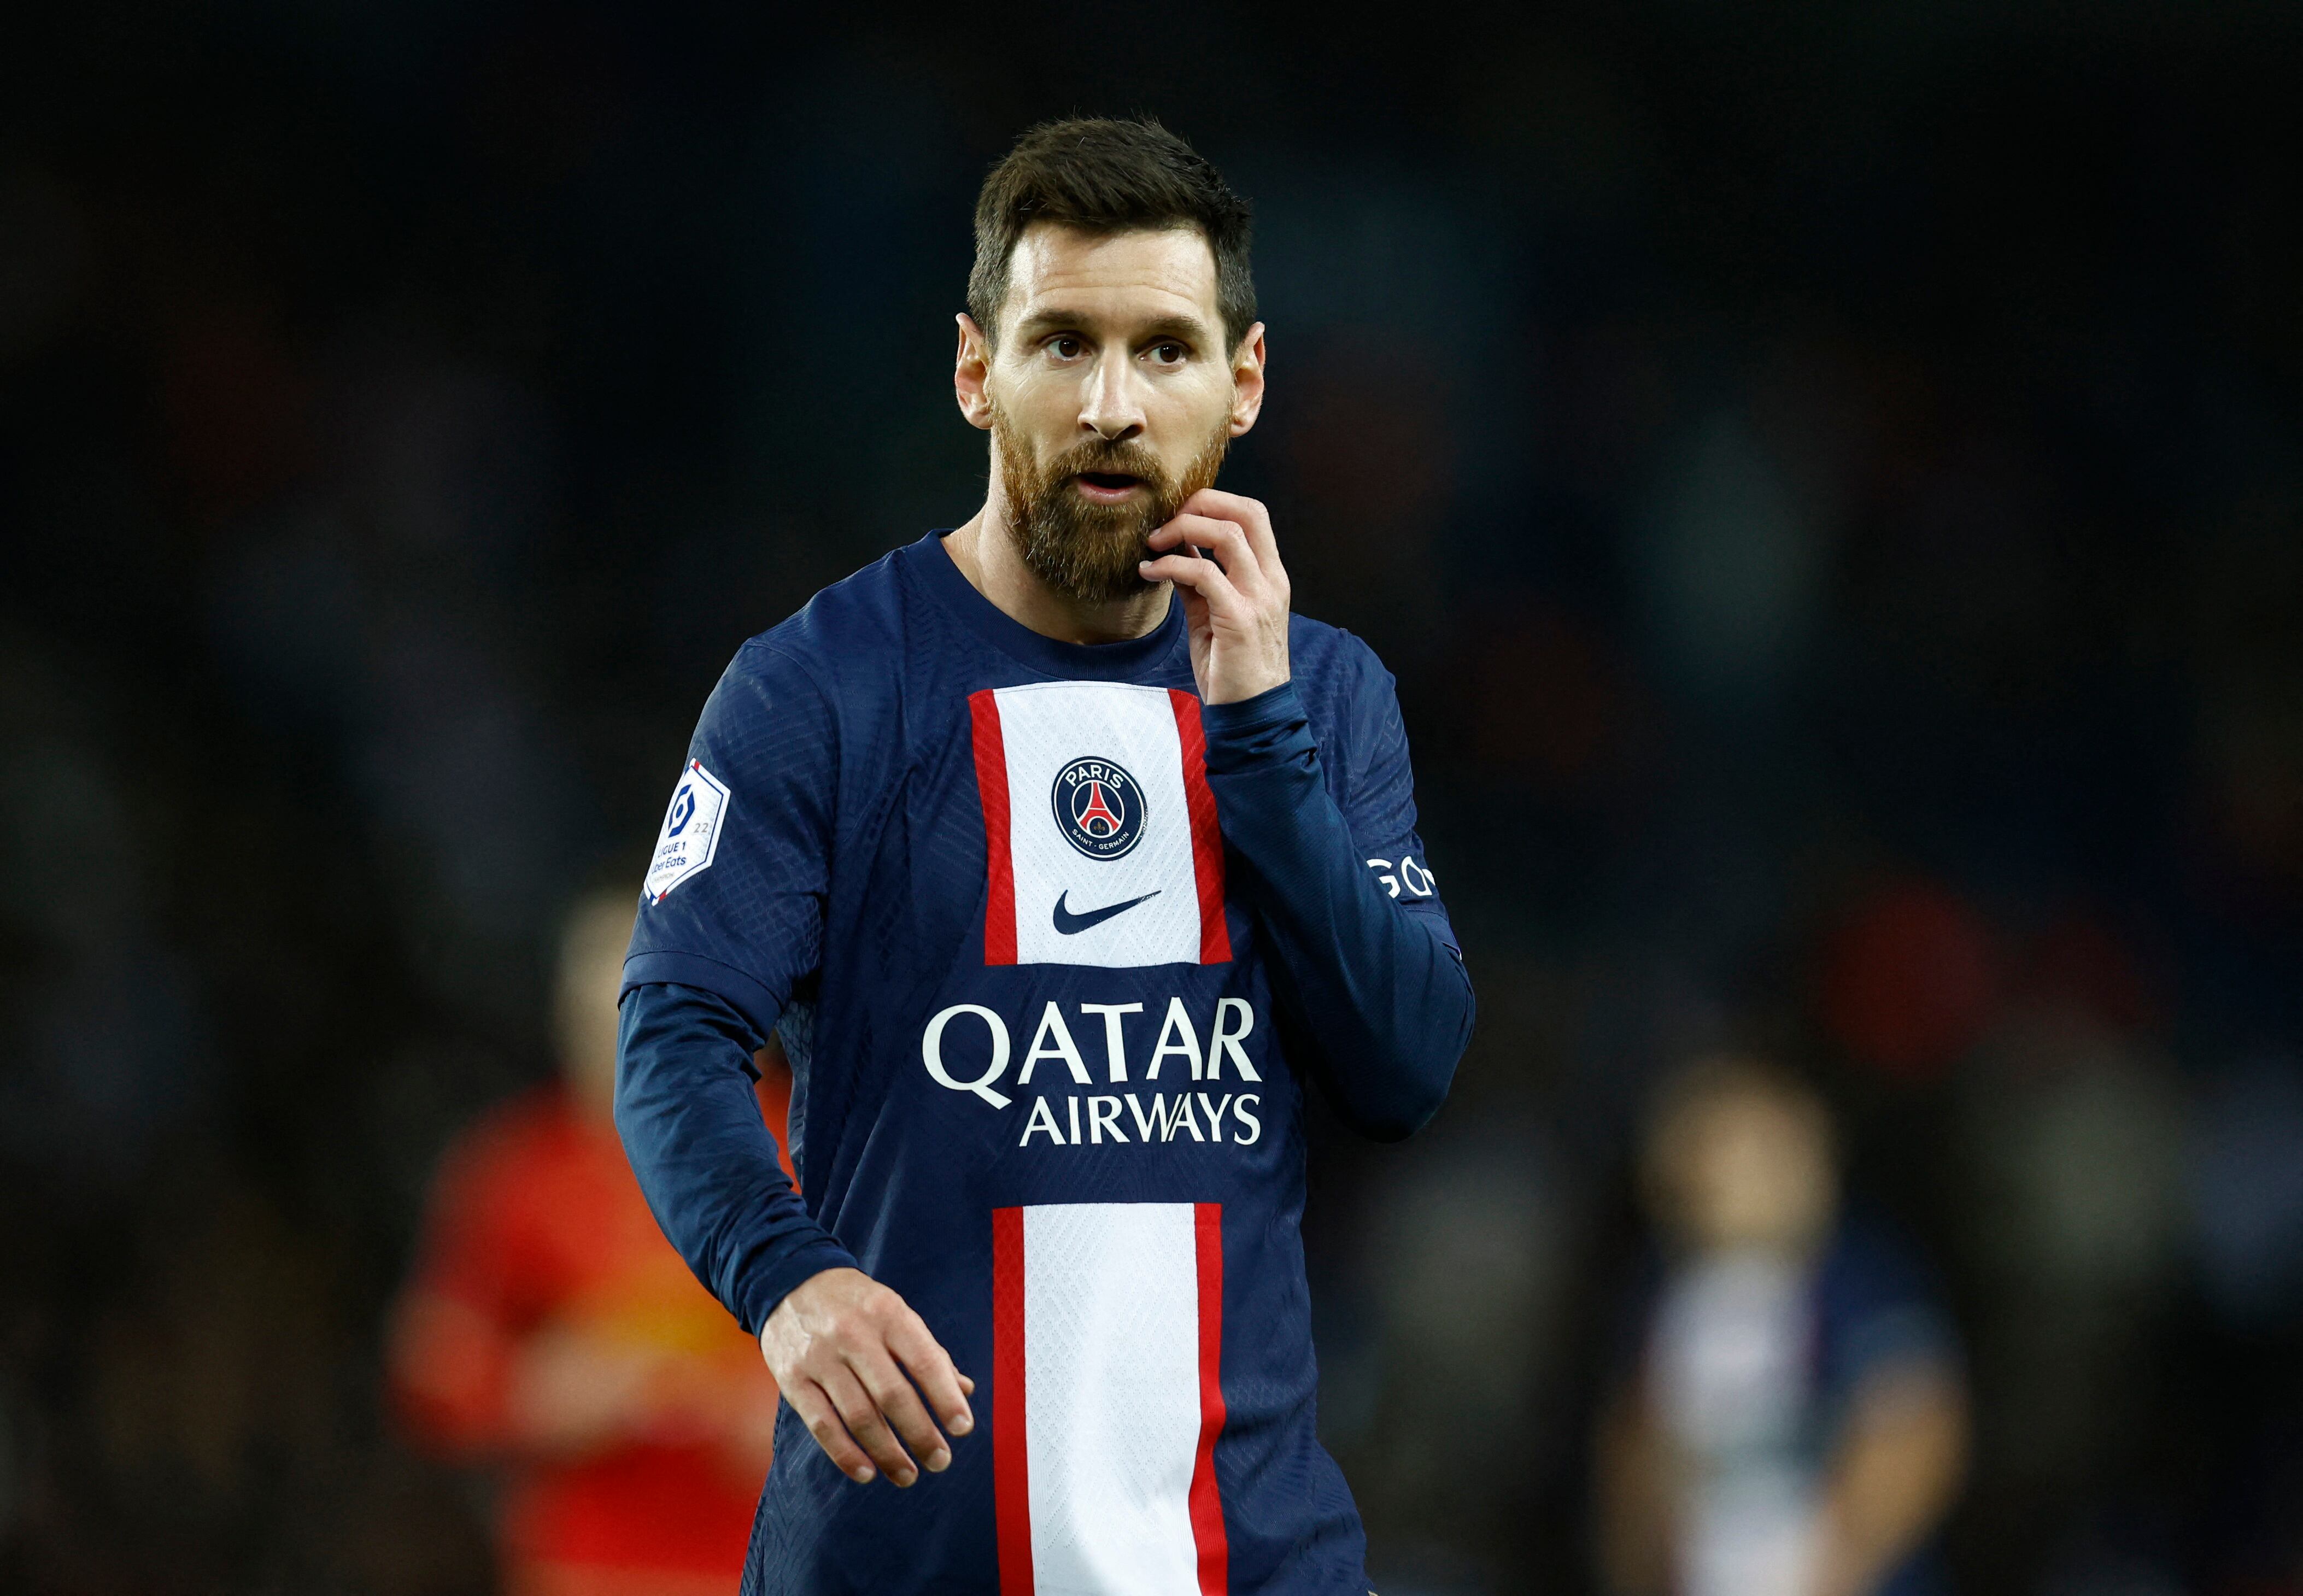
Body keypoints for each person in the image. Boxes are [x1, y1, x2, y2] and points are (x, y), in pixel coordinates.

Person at [614, 117, 1476, 1594]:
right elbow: (673, 1027)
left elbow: (1402, 1067)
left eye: (1164, 350)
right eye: (1061, 342)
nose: (1111, 404)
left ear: (1243, 382)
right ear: (973, 371)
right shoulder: (818, 687)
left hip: (1247, 1560)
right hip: (907, 1555)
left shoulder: (1325, 697)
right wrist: (788, 1276)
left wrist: (1256, 736)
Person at [389, 890, 787, 1596]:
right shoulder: (517, 1172)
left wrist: (801, 1412)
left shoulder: (809, 1150)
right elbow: (433, 1365)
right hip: (589, 1563)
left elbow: (934, 1330)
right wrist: (529, 1392)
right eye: (604, 1020)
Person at [1596, 1057, 1970, 1596]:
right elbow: (1632, 1447)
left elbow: (1916, 1429)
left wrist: (1839, 1562)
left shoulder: (1862, 1276)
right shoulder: (1663, 1293)